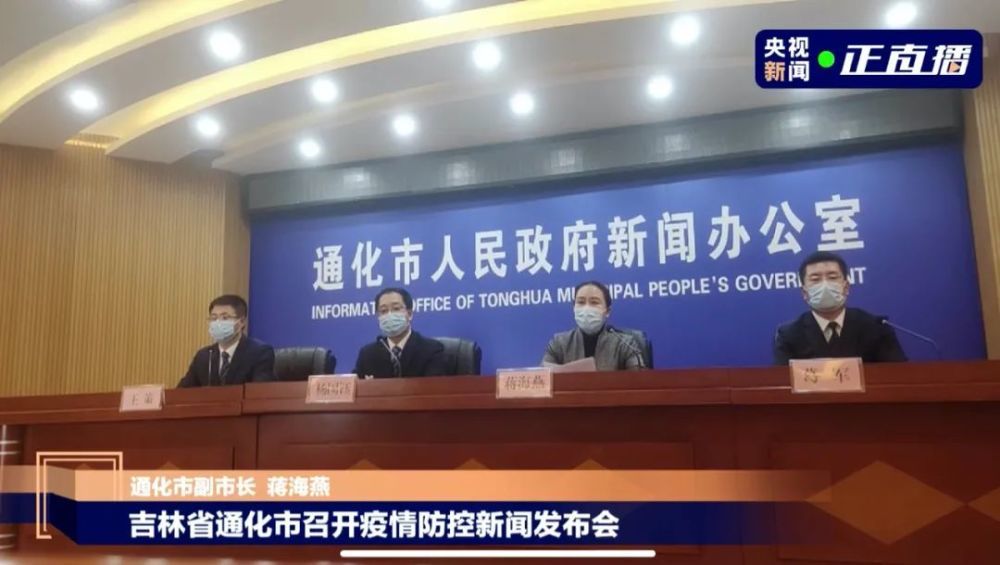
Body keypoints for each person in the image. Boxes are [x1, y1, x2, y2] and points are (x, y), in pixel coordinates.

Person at [773, 251, 906, 364]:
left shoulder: (875, 327)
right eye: (815, 279)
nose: (825, 285)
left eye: (832, 277)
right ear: (804, 293)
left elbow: (898, 375)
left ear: (846, 287)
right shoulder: (788, 335)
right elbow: (783, 381)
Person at [542, 281, 645, 371]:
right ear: (574, 308)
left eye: (594, 302)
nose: (586, 308)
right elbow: (543, 376)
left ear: (607, 311)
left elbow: (639, 379)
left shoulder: (625, 344)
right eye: (581, 302)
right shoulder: (559, 343)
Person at [178, 295, 276, 387]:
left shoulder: (259, 353)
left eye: (225, 318)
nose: (218, 323)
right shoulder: (204, 356)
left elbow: (258, 393)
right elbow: (182, 392)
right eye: (214, 318)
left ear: (241, 322)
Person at [353, 287, 446, 378]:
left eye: (396, 308)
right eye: (383, 311)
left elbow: (435, 386)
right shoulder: (367, 354)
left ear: (409, 314)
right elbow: (354, 383)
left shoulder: (432, 350)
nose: (389, 315)